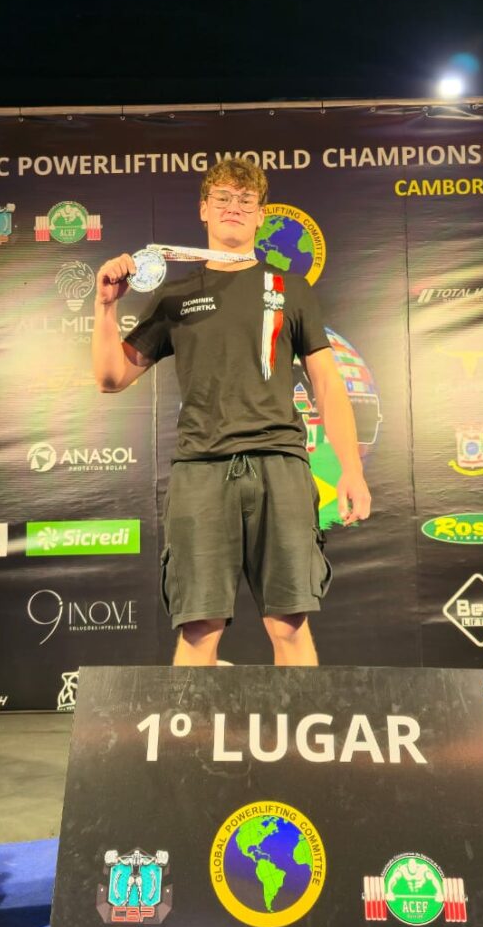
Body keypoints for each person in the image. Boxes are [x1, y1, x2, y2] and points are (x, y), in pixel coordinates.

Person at [92, 158, 371, 666]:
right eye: (222, 197)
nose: (233, 207)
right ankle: (188, 725)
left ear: (261, 215)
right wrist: (106, 306)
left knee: (289, 623)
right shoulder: (175, 294)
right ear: (204, 209)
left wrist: (350, 468)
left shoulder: (290, 288)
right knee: (199, 627)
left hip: (280, 466)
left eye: (245, 200)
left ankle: (299, 722)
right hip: (201, 469)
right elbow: (111, 378)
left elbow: (328, 384)